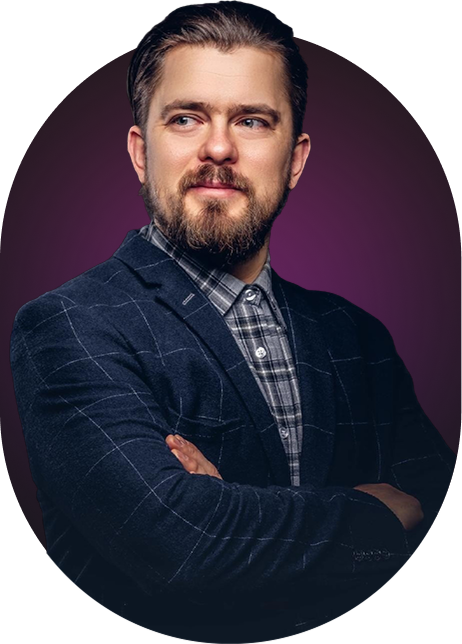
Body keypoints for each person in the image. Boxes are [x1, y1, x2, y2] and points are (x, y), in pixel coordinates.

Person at [10, 2, 456, 642]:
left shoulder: (358, 338)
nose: (218, 147)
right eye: (185, 118)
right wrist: (377, 513)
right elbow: (181, 545)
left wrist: (233, 511)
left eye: (251, 121)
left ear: (295, 159)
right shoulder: (68, 327)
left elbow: (435, 504)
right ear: (141, 152)